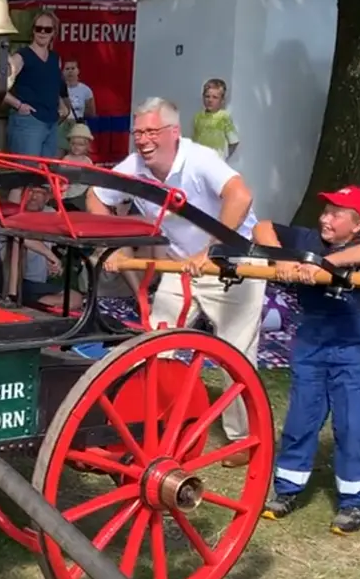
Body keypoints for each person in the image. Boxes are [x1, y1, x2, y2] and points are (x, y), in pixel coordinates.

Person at [94, 97, 264, 465]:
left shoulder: (200, 158)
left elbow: (241, 196)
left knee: (235, 355)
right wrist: (112, 245)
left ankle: (246, 439)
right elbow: (96, 195)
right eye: (137, 132)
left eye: (152, 131)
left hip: (233, 266)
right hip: (180, 266)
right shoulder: (134, 165)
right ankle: (153, 428)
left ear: (174, 132)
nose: (143, 140)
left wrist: (211, 251)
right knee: (156, 342)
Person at [255, 187, 360, 534]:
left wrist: (320, 264)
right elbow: (263, 226)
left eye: (336, 213)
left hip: (353, 344)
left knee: (350, 426)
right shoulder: (306, 237)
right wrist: (283, 259)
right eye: (325, 211)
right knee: (301, 418)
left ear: (357, 225)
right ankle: (287, 489)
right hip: (311, 340)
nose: (325, 219)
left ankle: (355, 501)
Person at [4, 11, 72, 159]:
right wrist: (19, 105)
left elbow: (54, 86)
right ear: (33, 30)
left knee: (45, 174)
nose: (42, 32)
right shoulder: (21, 57)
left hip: (52, 123)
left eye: (47, 29)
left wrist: (62, 105)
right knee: (26, 174)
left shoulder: (55, 59)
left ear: (54, 32)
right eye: (38, 28)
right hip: (28, 122)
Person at [191, 78, 240, 161]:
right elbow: (195, 140)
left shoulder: (224, 117)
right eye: (207, 96)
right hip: (200, 159)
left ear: (222, 100)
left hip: (217, 159)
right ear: (203, 97)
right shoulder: (198, 116)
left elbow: (234, 141)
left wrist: (224, 156)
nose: (210, 100)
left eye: (215, 97)